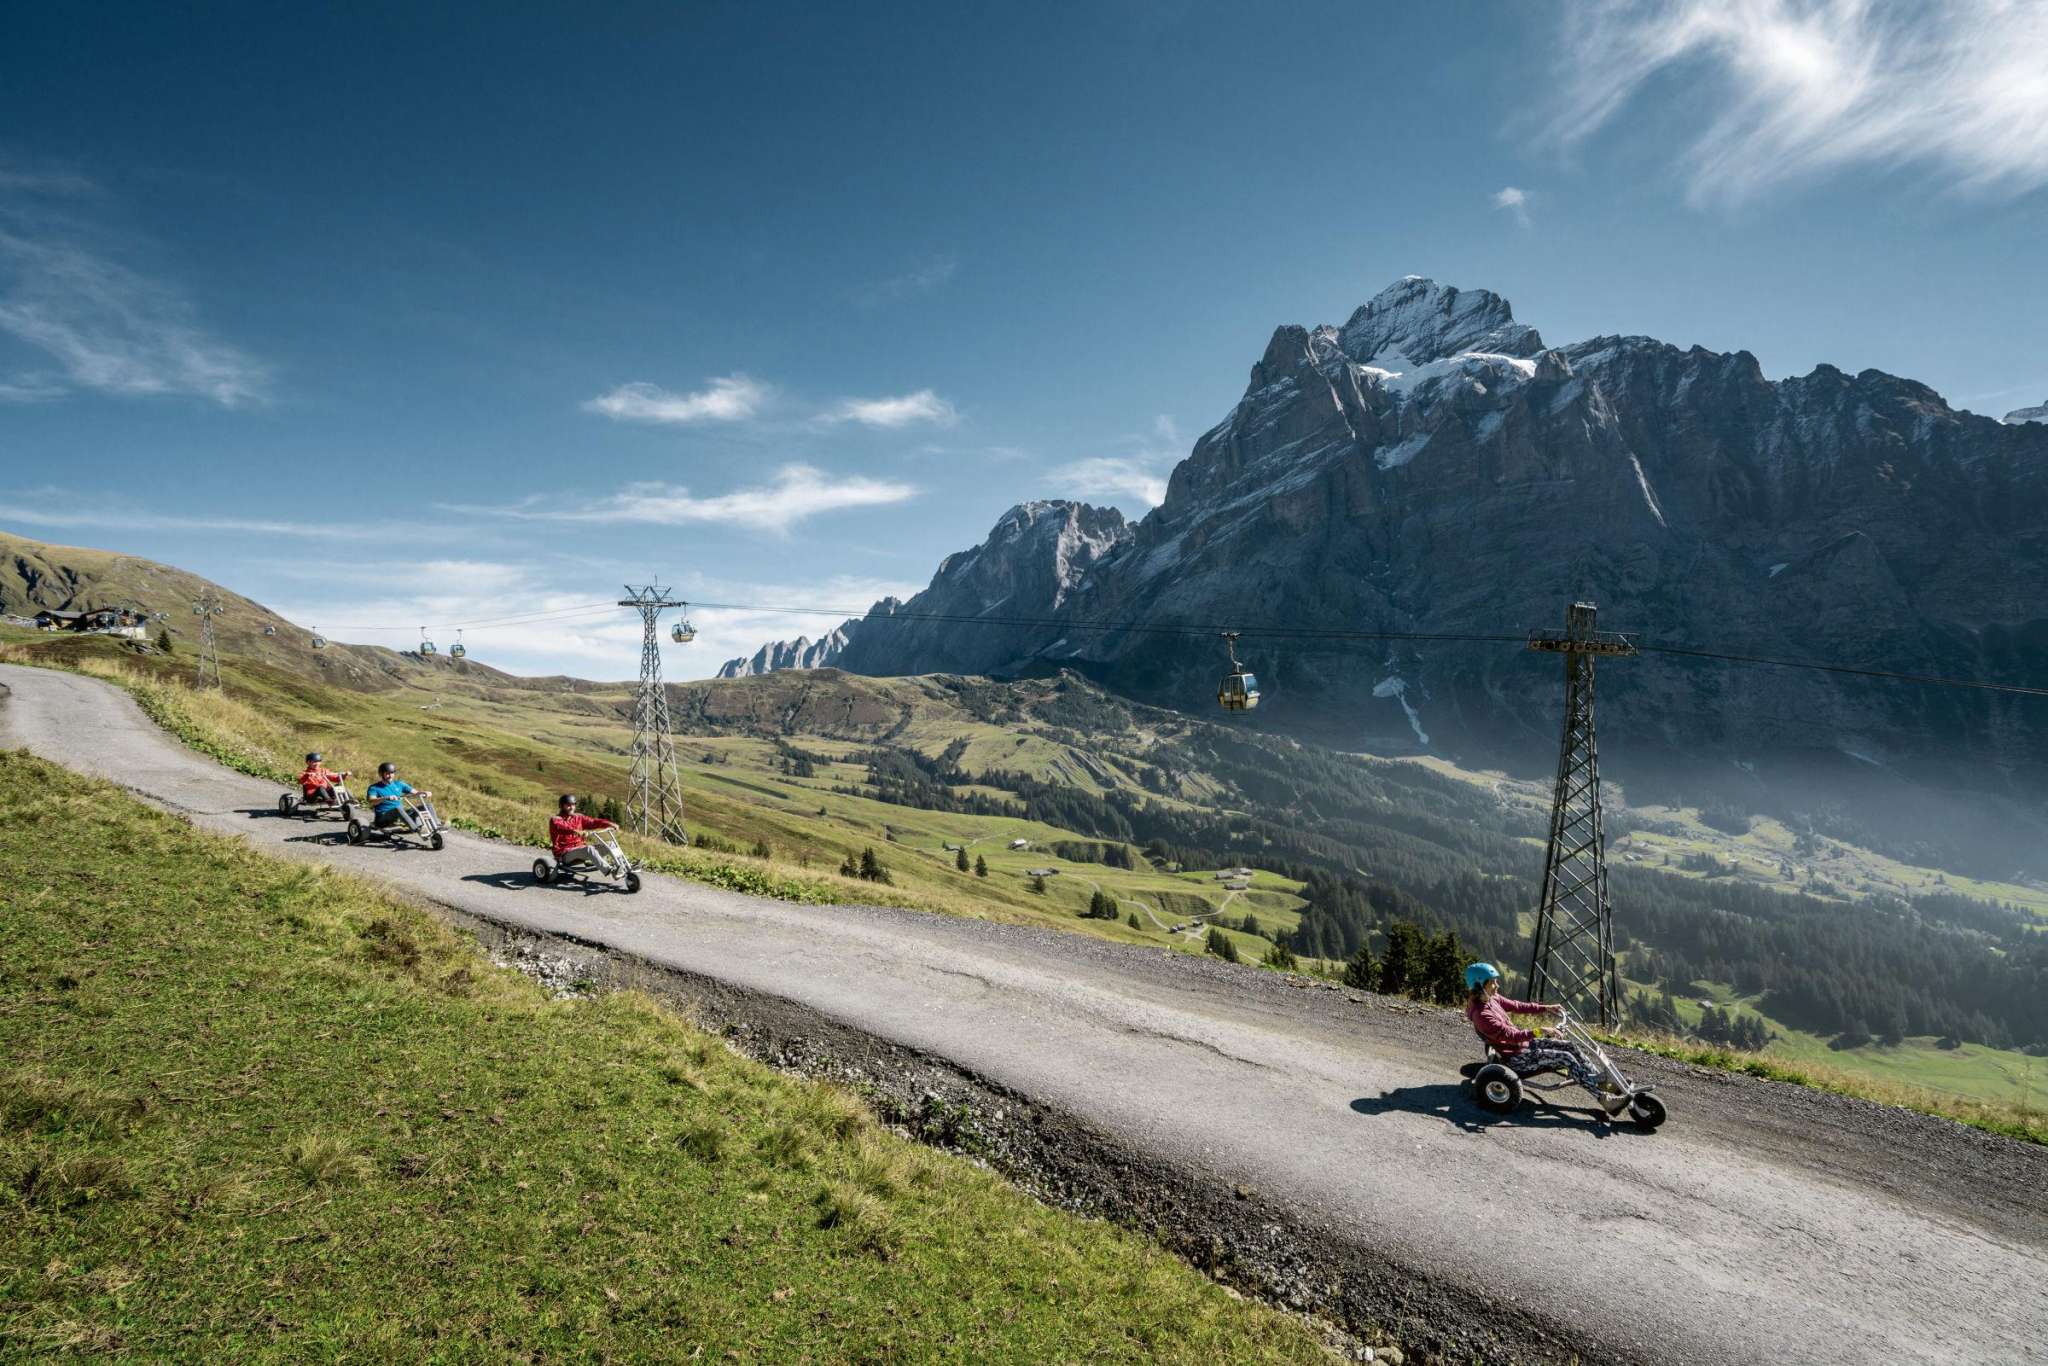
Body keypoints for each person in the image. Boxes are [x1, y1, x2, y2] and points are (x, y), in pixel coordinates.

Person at [1463, 962, 1623, 1112]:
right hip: (1516, 1058)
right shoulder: (1482, 1015)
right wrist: (1541, 1030)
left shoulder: (1492, 998)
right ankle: (1603, 1099)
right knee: (1566, 1058)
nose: (1497, 986)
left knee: (1569, 1046)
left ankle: (1601, 1082)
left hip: (1523, 1046)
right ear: (1479, 985)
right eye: (1492, 982)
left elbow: (1517, 1006)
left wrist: (1546, 1008)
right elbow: (1512, 1036)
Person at [549, 794, 618, 873]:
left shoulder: (578, 817)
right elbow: (562, 827)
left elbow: (593, 822)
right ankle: (610, 870)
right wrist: (574, 831)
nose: (572, 807)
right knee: (589, 849)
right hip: (564, 854)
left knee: (611, 844)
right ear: (562, 806)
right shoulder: (555, 820)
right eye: (568, 805)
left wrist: (609, 824)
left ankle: (624, 867)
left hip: (581, 850)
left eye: (573, 805)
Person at [364, 762, 430, 832]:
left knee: (427, 806)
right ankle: (416, 829)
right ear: (381, 774)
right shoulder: (374, 788)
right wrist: (386, 798)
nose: (390, 776)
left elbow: (416, 793)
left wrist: (424, 792)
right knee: (397, 809)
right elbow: (371, 801)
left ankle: (436, 828)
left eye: (392, 773)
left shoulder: (399, 784)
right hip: (383, 819)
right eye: (387, 774)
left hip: (400, 815)